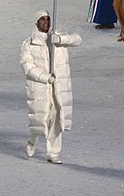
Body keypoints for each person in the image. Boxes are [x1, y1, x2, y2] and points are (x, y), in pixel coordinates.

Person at [20, 10, 82, 165]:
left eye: (48, 19)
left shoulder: (57, 37)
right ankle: (32, 142)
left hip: (57, 87)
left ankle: (53, 153)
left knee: (56, 119)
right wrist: (45, 77)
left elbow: (78, 39)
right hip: (41, 87)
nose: (46, 22)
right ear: (36, 22)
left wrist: (60, 39)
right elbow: (27, 67)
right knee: (40, 119)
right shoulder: (29, 43)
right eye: (43, 20)